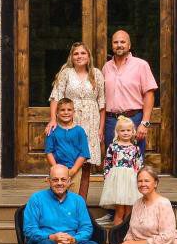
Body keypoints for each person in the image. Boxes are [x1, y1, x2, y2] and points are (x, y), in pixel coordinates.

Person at [46, 42, 106, 197]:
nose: (79, 56)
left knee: (85, 161)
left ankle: (81, 201)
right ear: (71, 57)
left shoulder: (96, 74)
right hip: (70, 119)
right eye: (76, 54)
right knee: (68, 156)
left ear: (88, 56)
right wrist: (53, 119)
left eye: (83, 53)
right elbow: (55, 96)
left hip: (91, 121)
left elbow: (102, 102)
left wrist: (100, 128)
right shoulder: (66, 73)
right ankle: (63, 197)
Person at [102, 30, 158, 157]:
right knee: (113, 161)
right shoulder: (106, 67)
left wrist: (145, 123)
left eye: (123, 41)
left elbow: (149, 94)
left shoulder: (141, 65)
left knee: (135, 161)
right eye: (116, 42)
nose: (119, 45)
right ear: (112, 45)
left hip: (134, 119)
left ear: (129, 45)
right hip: (111, 121)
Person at [97, 116, 142, 227]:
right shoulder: (113, 147)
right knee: (120, 210)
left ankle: (128, 232)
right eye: (122, 130)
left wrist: (139, 178)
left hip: (131, 180)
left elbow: (139, 164)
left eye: (128, 130)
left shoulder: (135, 148)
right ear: (117, 132)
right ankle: (117, 234)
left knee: (129, 210)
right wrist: (107, 177)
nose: (125, 133)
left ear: (133, 132)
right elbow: (107, 163)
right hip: (118, 180)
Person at [44, 98, 91, 197]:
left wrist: (73, 170)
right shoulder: (52, 131)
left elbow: (83, 153)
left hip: (74, 170)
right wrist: (56, 169)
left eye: (69, 110)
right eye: (62, 110)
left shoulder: (80, 131)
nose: (66, 112)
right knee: (57, 196)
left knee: (72, 196)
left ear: (74, 112)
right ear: (56, 112)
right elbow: (49, 152)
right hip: (57, 171)